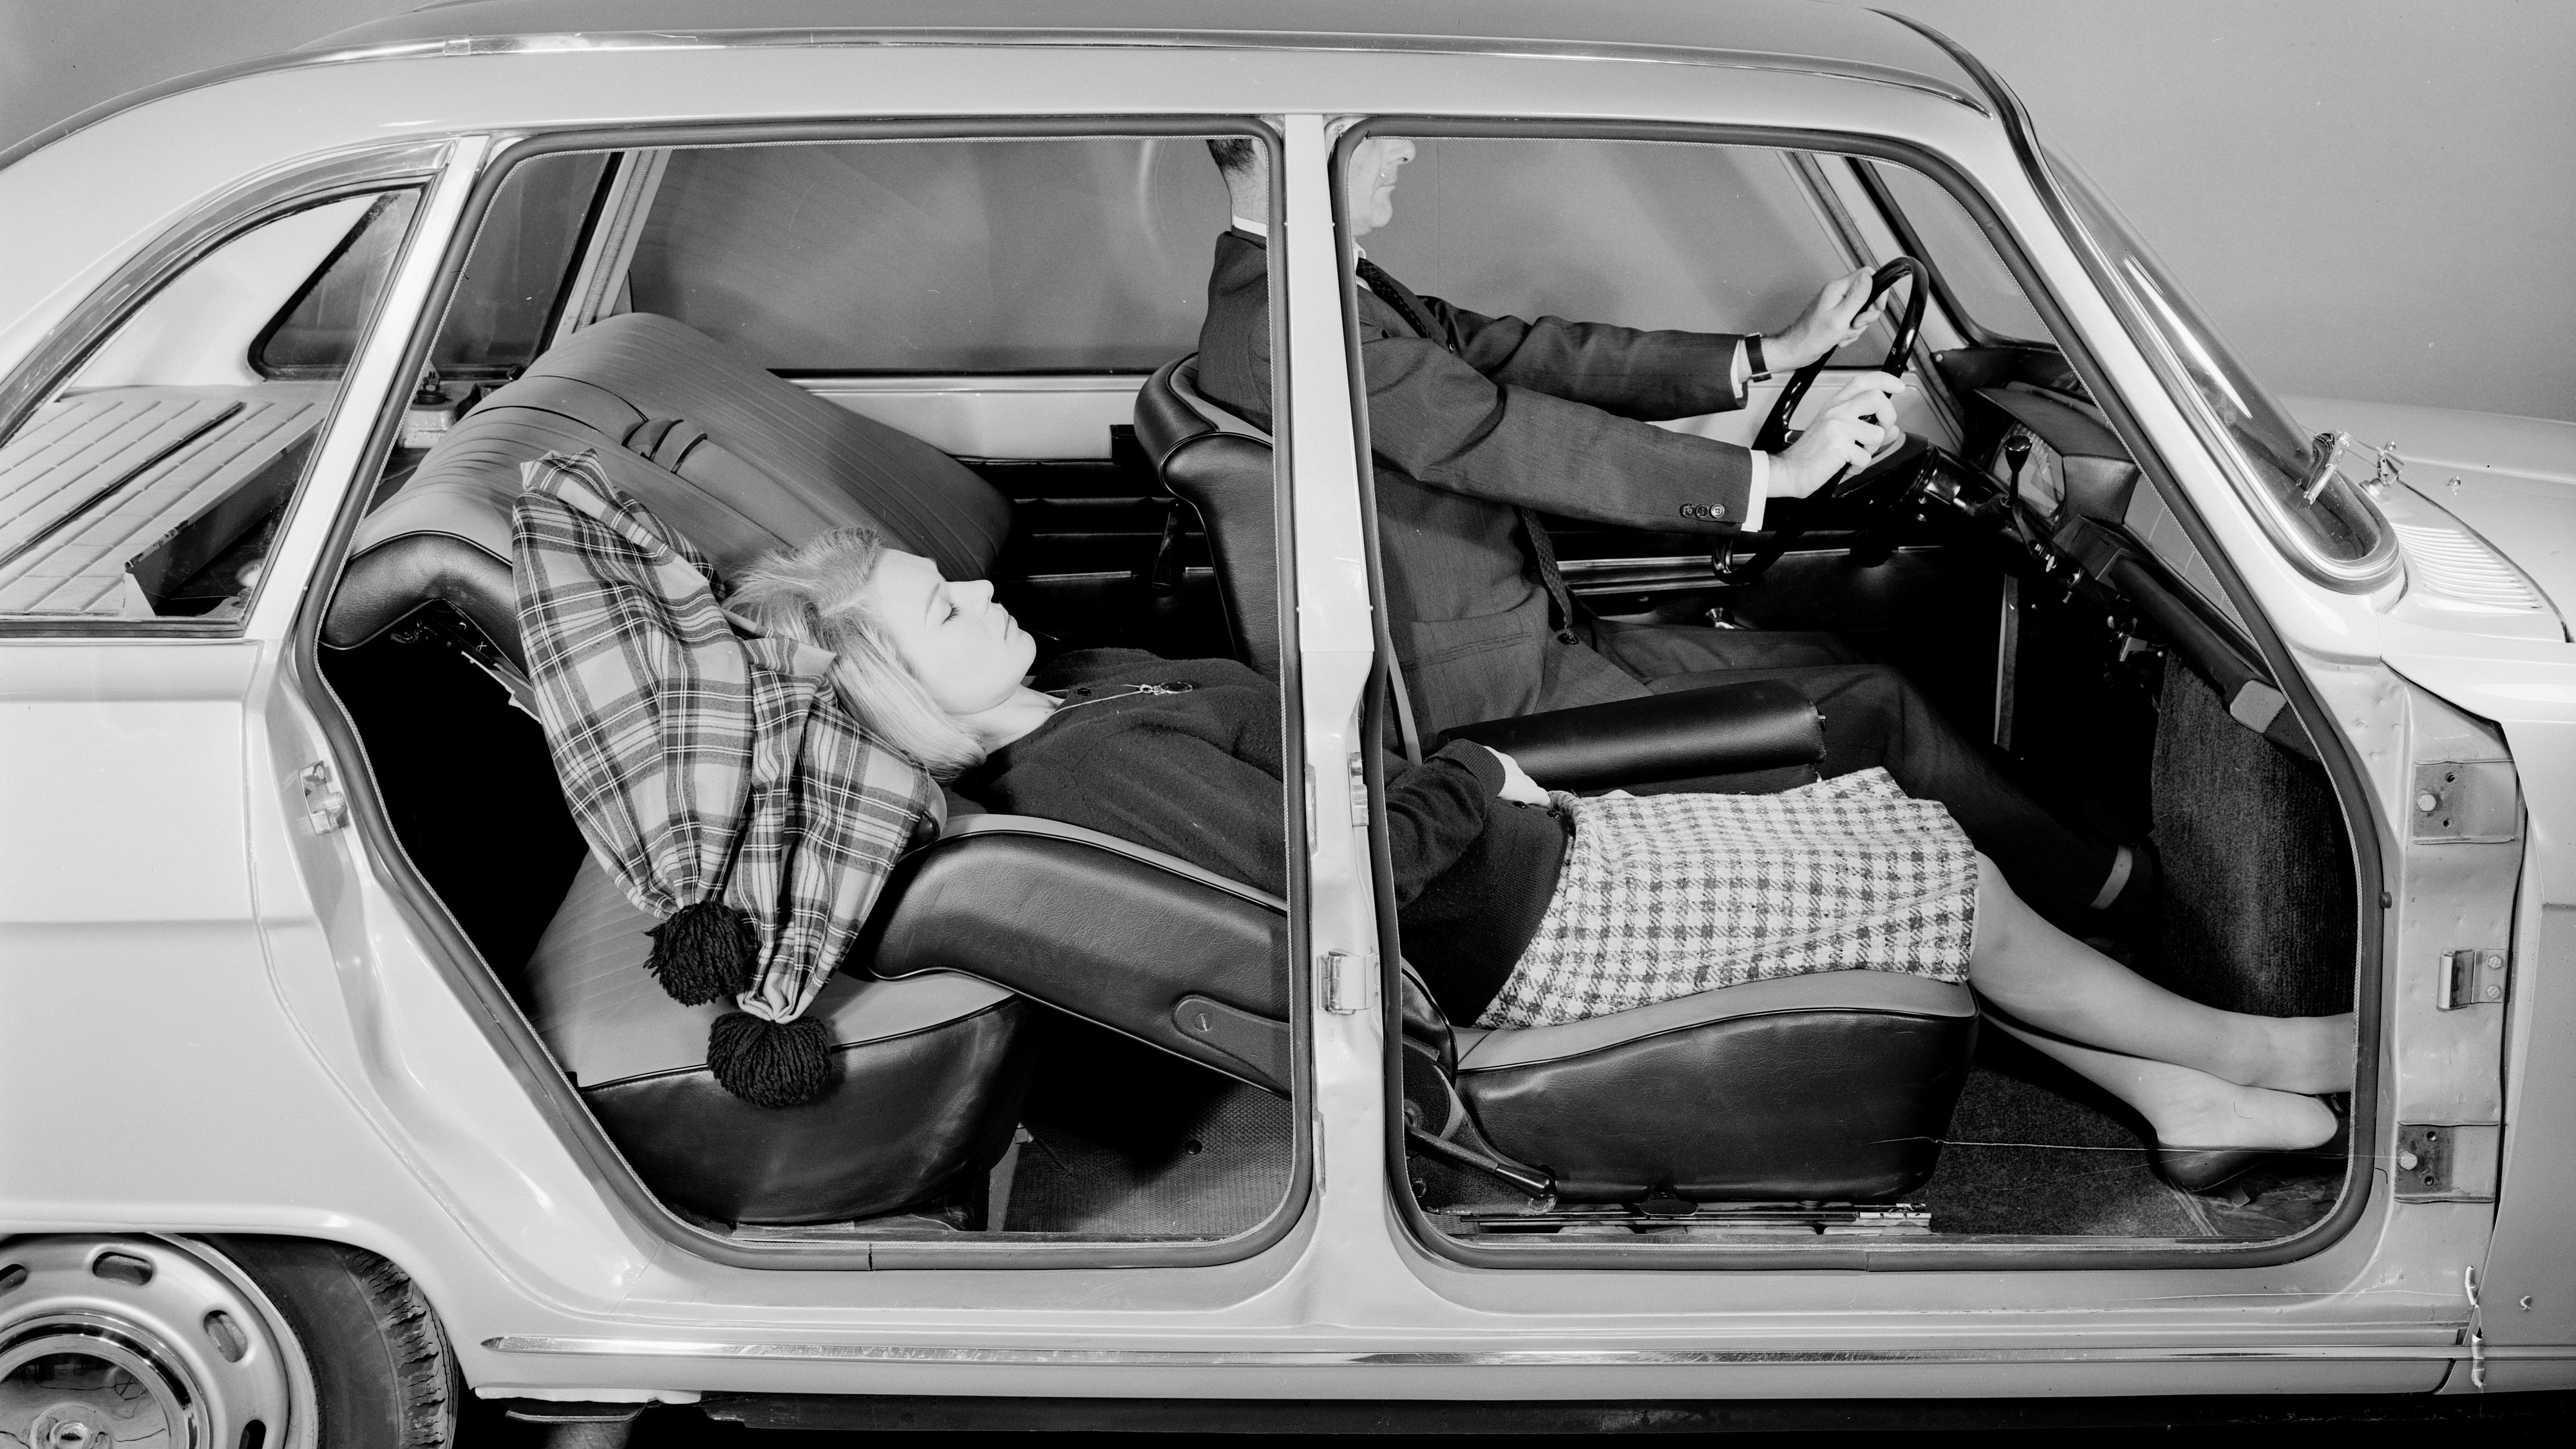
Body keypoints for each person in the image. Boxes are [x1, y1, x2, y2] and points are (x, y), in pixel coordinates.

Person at [729, 528, 2352, 1191]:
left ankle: (2182, 1100)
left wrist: (1467, 786)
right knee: (1939, 875)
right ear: (898, 686)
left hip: (1515, 864)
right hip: (1515, 931)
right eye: (937, 607)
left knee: (1880, 824)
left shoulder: (1085, 694)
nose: (975, 592)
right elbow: (1349, 870)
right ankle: (2247, 1053)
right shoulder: (1088, 760)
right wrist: (1474, 773)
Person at [1195, 136, 2153, 933]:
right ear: (1290, 144)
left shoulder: (1302, 288)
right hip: (1492, 700)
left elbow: (1522, 356)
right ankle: (2107, 894)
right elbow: (1498, 431)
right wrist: (1772, 478)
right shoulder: (1294, 321)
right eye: (1368, 127)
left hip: (1522, 646)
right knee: (1879, 705)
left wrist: (1771, 354)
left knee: (1830, 656)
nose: (1403, 146)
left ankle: (2050, 871)